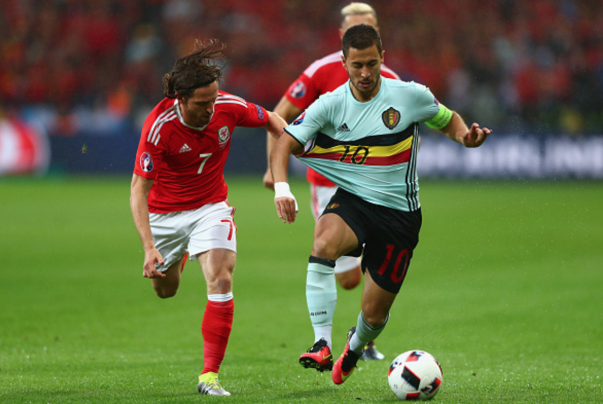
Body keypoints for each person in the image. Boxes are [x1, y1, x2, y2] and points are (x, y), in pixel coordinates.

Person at [271, 24, 491, 385]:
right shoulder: (329, 104)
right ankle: (321, 343)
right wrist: (282, 188)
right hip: (354, 200)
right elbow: (285, 142)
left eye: (372, 64)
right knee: (323, 241)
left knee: (373, 313)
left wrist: (466, 138)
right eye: (357, 65)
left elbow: (448, 119)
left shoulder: (410, 95)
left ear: (382, 58)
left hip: (399, 217)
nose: (365, 73)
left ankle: (354, 348)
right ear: (343, 62)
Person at [130, 39, 287, 396]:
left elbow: (274, 121)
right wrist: (149, 247)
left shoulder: (228, 106)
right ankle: (180, 254)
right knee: (165, 291)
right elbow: (138, 189)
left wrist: (289, 158)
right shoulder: (158, 126)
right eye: (203, 104)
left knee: (220, 279)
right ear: (181, 100)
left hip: (210, 207)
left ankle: (209, 376)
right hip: (165, 216)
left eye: (214, 100)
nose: (211, 109)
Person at [263, 1, 396, 366]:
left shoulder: (395, 83)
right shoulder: (321, 72)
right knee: (349, 277)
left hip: (377, 187)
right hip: (328, 182)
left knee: (374, 261)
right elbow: (281, 114)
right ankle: (352, 333)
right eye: (352, 29)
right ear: (341, 37)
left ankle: (356, 337)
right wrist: (273, 170)